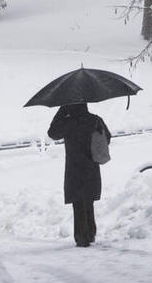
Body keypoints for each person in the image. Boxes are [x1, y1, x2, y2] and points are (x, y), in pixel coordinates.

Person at [47, 103, 111, 247]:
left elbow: (52, 133)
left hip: (74, 169)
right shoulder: (95, 120)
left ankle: (82, 236)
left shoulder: (68, 123)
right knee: (88, 201)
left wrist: (62, 110)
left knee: (78, 203)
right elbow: (107, 137)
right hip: (92, 167)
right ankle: (91, 232)